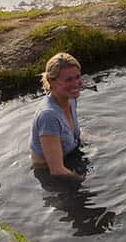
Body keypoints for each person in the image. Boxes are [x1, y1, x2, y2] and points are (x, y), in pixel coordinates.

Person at [29, 52, 85, 181]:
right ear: (51, 81)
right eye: (69, 80)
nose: (76, 84)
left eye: (77, 77)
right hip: (48, 174)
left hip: (70, 158)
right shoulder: (49, 116)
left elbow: (68, 134)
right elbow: (57, 170)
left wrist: (108, 141)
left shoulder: (70, 99)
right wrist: (93, 182)